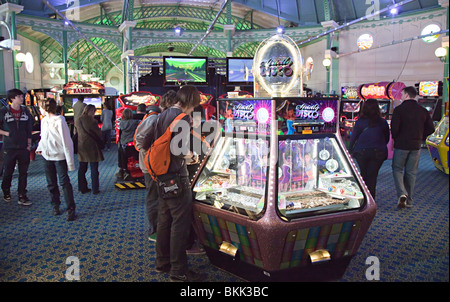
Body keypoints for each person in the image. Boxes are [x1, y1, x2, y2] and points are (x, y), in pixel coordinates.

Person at [154, 85, 205, 282]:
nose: (193, 110)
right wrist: (191, 157)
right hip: (176, 175)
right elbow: (180, 149)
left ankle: (162, 262)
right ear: (190, 102)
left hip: (161, 174)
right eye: (194, 106)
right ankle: (178, 270)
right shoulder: (181, 117)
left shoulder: (163, 114)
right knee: (180, 223)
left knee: (164, 220)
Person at [391, 86, 435, 209]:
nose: (400, 95)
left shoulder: (399, 110)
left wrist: (396, 138)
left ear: (406, 95)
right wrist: (421, 137)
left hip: (401, 145)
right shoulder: (423, 111)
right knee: (411, 172)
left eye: (402, 93)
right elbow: (431, 128)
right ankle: (409, 200)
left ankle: (402, 194)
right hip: (416, 145)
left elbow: (394, 128)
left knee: (397, 169)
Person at [36, 98, 77, 221]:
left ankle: (71, 208)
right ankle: (55, 205)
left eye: (40, 107)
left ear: (45, 108)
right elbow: (43, 137)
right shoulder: (43, 121)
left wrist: (70, 162)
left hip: (59, 156)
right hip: (46, 156)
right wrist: (40, 148)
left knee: (64, 183)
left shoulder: (60, 120)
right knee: (51, 183)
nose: (39, 110)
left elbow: (67, 141)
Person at [349, 99, 390, 199]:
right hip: (378, 152)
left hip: (361, 152)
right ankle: (371, 200)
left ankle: (363, 198)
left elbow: (353, 138)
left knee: (363, 174)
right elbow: (387, 138)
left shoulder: (360, 122)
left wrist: (349, 151)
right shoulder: (383, 122)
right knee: (372, 176)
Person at [0, 89, 33, 205]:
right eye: (19, 96)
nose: (22, 98)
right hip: (9, 147)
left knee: (23, 172)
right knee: (8, 171)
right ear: (12, 98)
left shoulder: (25, 111)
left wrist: (29, 144)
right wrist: (7, 134)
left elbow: (29, 129)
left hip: (23, 147)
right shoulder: (3, 111)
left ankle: (22, 195)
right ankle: (6, 190)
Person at [75, 104, 104, 194]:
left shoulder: (78, 120)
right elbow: (98, 134)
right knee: (94, 168)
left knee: (82, 168)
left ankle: (82, 187)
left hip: (81, 146)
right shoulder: (92, 121)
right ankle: (95, 189)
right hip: (92, 146)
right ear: (91, 111)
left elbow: (75, 133)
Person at [115, 108, 140, 180]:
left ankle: (124, 170)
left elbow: (119, 134)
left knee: (121, 154)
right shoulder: (136, 122)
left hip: (125, 145)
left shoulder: (121, 123)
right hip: (134, 144)